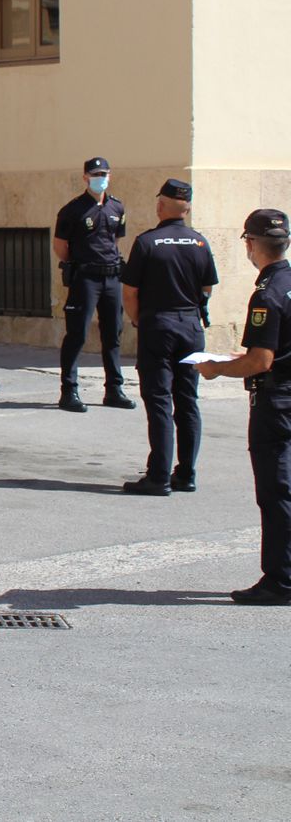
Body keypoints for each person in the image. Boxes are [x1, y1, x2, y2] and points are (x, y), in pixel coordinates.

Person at [198, 210, 291, 604]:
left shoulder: (267, 294)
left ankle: (280, 581)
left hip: (276, 403)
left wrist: (218, 368)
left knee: (276, 491)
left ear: (251, 244)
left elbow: (260, 361)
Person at [119, 180, 217, 495]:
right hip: (191, 327)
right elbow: (207, 288)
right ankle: (186, 473)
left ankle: (158, 476)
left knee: (159, 401)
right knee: (187, 401)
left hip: (158, 326)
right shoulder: (200, 243)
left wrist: (138, 320)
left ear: (161, 205)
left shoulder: (148, 242)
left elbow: (130, 293)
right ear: (186, 207)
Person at [55, 157, 135, 412]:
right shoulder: (72, 210)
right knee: (77, 333)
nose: (101, 178)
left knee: (113, 334)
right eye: (95, 174)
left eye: (104, 174)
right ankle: (69, 391)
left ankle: (114, 389)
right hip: (86, 278)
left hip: (111, 277)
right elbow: (61, 248)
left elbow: (115, 240)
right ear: (85, 177)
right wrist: (82, 264)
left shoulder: (117, 208)